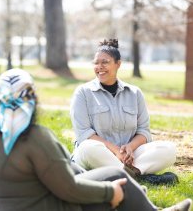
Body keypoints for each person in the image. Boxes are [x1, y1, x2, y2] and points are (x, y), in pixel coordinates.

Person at [0, 68, 192, 211]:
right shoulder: (34, 137)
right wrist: (110, 192)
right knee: (114, 179)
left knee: (106, 174)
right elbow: (68, 188)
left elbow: (60, 173)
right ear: (32, 100)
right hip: (39, 204)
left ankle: (141, 199)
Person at [70, 39, 177, 183]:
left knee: (168, 149)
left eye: (105, 62)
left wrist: (130, 147)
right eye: (96, 63)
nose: (99, 67)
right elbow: (84, 134)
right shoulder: (83, 93)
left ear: (118, 64)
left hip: (129, 156)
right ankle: (140, 177)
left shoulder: (135, 93)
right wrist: (115, 150)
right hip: (98, 154)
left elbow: (144, 131)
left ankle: (127, 174)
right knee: (88, 148)